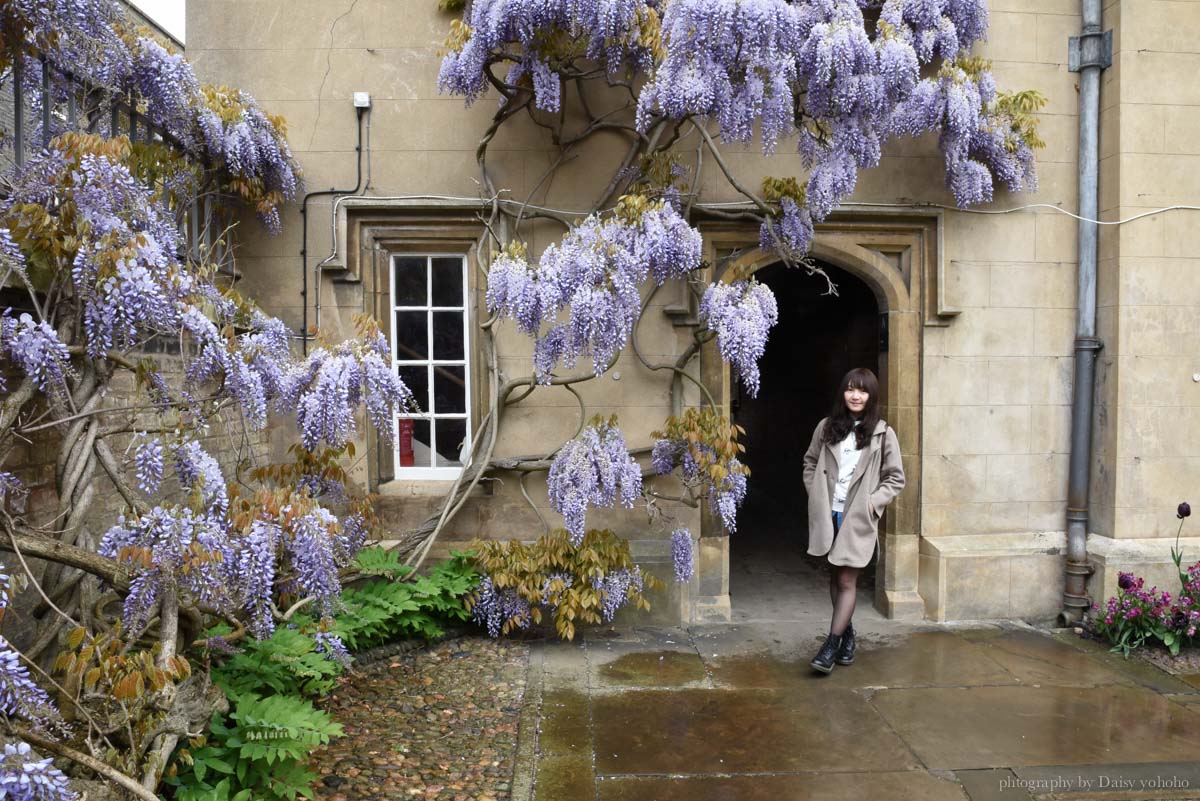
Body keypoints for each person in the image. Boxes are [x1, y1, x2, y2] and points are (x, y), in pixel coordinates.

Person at [801, 367, 905, 674]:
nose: (855, 395)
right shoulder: (827, 426)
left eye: (862, 390)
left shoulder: (883, 433)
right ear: (842, 393)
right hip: (828, 512)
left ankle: (830, 645)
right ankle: (847, 637)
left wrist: (872, 504)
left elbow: (895, 478)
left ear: (871, 396)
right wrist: (816, 494)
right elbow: (809, 463)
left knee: (847, 579)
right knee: (835, 577)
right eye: (849, 389)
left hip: (857, 516)